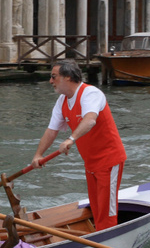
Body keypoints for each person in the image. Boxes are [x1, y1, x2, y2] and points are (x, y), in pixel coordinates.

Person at [31, 60, 126, 231]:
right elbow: (52, 130)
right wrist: (39, 155)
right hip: (90, 162)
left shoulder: (90, 93)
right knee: (96, 206)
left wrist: (70, 139)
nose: (51, 81)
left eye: (54, 77)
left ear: (67, 77)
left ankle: (107, 242)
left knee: (106, 210)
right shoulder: (62, 101)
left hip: (109, 160)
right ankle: (99, 234)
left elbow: (90, 120)